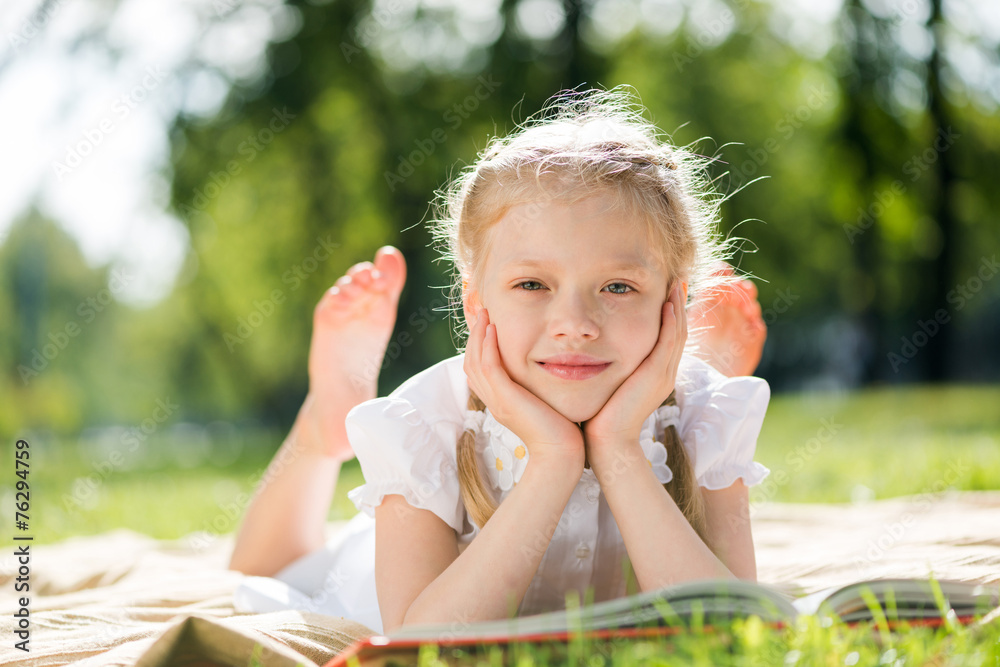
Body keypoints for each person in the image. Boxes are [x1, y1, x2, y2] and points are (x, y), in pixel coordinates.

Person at [229, 88, 770, 635]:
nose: (575, 322)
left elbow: (732, 629)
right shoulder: (426, 423)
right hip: (386, 576)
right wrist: (554, 459)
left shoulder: (707, 417)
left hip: (677, 401)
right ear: (476, 305)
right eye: (532, 284)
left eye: (618, 286)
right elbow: (421, 643)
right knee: (269, 574)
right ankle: (323, 424)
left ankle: (696, 354)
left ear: (672, 304)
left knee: (699, 404)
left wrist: (620, 448)